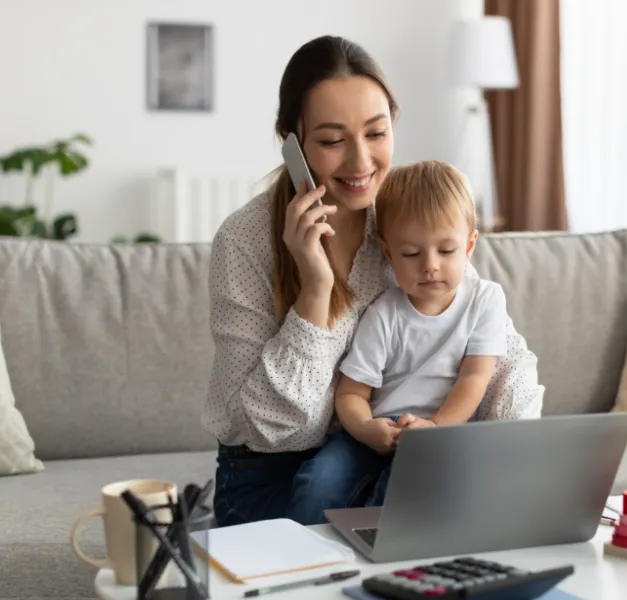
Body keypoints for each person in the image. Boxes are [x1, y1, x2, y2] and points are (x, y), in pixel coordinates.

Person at [202, 35, 544, 528]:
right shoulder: (244, 241)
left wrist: (510, 453)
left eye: (376, 133)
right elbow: (271, 430)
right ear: (291, 141)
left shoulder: (406, 218)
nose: (361, 163)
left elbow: (500, 356)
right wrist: (315, 290)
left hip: (386, 458)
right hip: (267, 477)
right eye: (332, 140)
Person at [290, 160, 508, 525]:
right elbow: (351, 394)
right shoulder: (384, 314)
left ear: (469, 246)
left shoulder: (485, 300)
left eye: (446, 251)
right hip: (381, 429)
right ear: (389, 254)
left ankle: (376, 557)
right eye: (411, 253)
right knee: (317, 482)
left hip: (446, 431)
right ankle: (301, 558)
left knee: (405, 487)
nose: (430, 265)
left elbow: (475, 379)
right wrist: (365, 429)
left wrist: (436, 429)